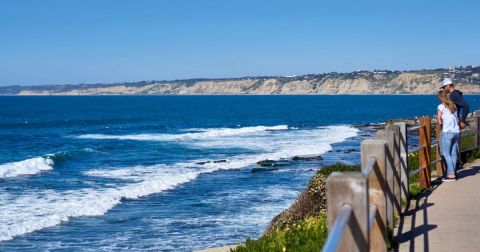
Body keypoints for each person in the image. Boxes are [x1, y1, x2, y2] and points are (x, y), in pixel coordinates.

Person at [437, 89, 460, 182]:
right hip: (456, 132)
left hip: (447, 132)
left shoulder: (441, 106)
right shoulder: (454, 106)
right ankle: (454, 172)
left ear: (440, 97)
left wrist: (442, 122)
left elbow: (439, 120)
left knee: (446, 153)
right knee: (453, 153)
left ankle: (451, 175)